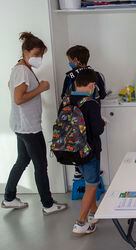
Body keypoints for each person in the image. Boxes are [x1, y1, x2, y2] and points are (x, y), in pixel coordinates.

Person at [2, 32, 67, 214]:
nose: (39, 58)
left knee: (22, 160)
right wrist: (41, 88)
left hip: (20, 125)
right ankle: (48, 204)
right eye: (37, 54)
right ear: (26, 51)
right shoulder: (23, 70)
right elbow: (18, 98)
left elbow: (14, 88)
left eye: (41, 55)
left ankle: (8, 198)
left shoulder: (19, 68)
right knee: (40, 165)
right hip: (29, 127)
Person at [62, 45, 107, 180]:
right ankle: (93, 171)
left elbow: (65, 97)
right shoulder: (96, 74)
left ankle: (78, 170)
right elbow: (102, 94)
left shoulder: (70, 76)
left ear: (75, 60)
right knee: (93, 143)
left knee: (76, 140)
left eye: (69, 60)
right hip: (93, 116)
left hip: (75, 119)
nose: (69, 63)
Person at [70, 69, 105, 235]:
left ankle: (94, 212)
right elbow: (97, 130)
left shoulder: (67, 100)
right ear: (92, 85)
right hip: (89, 150)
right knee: (92, 185)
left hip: (73, 149)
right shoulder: (91, 103)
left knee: (87, 179)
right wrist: (102, 123)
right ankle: (81, 223)